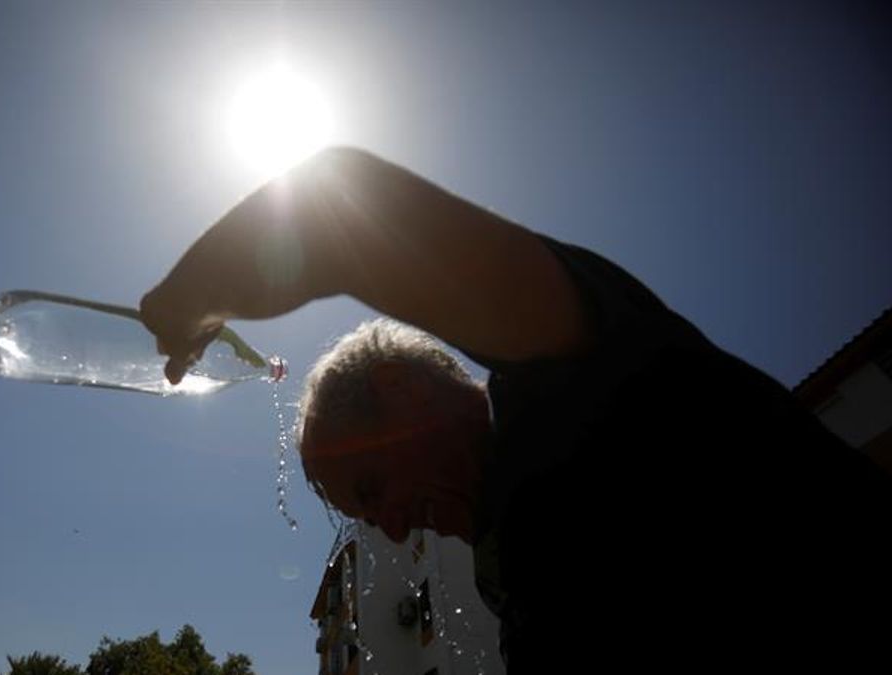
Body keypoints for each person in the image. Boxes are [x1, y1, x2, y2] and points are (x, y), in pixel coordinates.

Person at [140, 147, 892, 671]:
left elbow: (340, 203)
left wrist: (192, 297)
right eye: (372, 522)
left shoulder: (566, 372)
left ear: (402, 387)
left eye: (373, 491)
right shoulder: (512, 571)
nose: (397, 531)